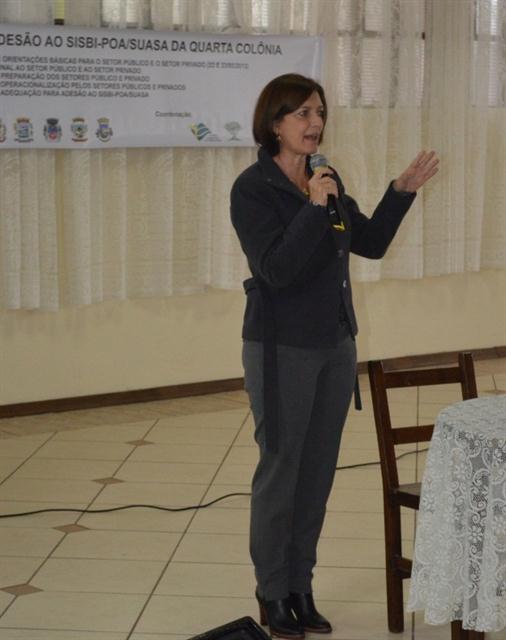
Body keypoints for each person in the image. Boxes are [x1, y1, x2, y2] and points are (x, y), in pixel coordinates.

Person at [230, 73, 439, 639]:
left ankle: (301, 585)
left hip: (334, 346)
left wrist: (400, 190)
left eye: (318, 111)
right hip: (281, 349)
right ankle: (272, 590)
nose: (314, 122)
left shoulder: (326, 178)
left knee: (317, 474)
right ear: (275, 123)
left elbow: (367, 243)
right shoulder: (253, 190)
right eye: (301, 113)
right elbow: (274, 268)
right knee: (282, 472)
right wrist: (312, 207)